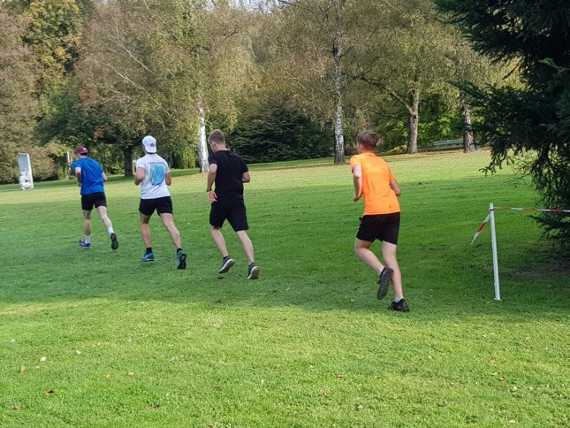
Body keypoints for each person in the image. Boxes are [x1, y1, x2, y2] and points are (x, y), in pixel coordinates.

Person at [350, 130, 408, 312]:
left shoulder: (357, 159)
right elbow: (397, 190)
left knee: (360, 248)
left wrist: (358, 192)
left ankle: (382, 271)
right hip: (393, 210)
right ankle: (400, 300)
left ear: (360, 144)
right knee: (390, 255)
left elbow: (358, 175)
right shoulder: (382, 162)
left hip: (375, 211)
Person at [206, 129, 259, 279]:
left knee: (215, 228)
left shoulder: (214, 156)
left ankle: (226, 257)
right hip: (237, 199)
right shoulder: (237, 157)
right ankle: (252, 264)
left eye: (211, 145)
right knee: (241, 231)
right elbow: (247, 177)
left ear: (214, 143)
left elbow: (212, 170)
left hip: (221, 198)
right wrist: (234, 179)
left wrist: (209, 188)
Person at [134, 135, 187, 269]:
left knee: (144, 222)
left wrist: (136, 181)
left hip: (148, 197)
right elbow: (169, 181)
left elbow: (139, 176)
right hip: (164, 196)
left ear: (143, 146)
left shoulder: (141, 161)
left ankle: (149, 252)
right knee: (169, 224)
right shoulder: (163, 161)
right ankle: (179, 250)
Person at [70, 146, 119, 250]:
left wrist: (80, 181)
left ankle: (87, 242)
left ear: (78, 154)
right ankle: (111, 232)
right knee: (104, 216)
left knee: (87, 218)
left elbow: (78, 172)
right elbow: (105, 178)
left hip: (87, 193)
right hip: (99, 192)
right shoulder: (96, 163)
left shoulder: (78, 163)